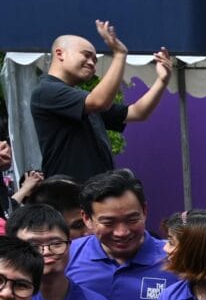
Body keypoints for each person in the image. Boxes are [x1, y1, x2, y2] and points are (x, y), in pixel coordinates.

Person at [29, 24, 174, 183]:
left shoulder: (81, 97)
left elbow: (137, 112)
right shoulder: (46, 91)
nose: (92, 63)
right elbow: (99, 101)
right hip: (69, 196)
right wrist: (119, 54)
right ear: (60, 53)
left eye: (95, 60)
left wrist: (162, 80)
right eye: (86, 55)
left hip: (96, 193)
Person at [67, 170, 177, 300]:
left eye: (132, 220)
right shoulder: (68, 257)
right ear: (87, 219)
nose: (122, 232)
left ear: (145, 211)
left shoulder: (175, 258)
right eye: (108, 222)